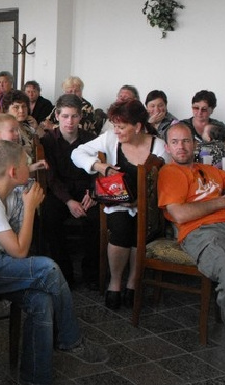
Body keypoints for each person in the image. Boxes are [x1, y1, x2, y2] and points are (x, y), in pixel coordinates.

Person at [0, 140, 108, 385]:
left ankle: (35, 382)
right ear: (13, 171)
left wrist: (26, 203)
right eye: (27, 164)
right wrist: (29, 208)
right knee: (49, 269)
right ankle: (71, 341)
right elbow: (20, 251)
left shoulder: (7, 191)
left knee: (41, 300)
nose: (31, 168)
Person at [158, 122, 225, 374]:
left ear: (195, 144)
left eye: (186, 141)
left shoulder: (209, 169)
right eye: (175, 142)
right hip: (202, 233)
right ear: (167, 147)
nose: (181, 147)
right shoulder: (170, 173)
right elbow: (180, 214)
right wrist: (223, 201)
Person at [72, 99, 168, 309]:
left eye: (121, 127)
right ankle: (115, 282)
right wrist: (100, 166)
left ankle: (133, 282)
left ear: (138, 127)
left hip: (147, 207)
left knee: (139, 231)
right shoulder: (110, 139)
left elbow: (166, 183)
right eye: (115, 125)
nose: (116, 131)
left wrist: (140, 201)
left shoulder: (158, 146)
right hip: (117, 203)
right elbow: (77, 153)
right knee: (121, 228)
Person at [40, 94, 100, 288]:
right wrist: (68, 201)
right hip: (60, 191)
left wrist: (93, 193)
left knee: (97, 217)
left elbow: (97, 171)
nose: (70, 121)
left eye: (74, 116)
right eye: (65, 116)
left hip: (85, 189)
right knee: (50, 216)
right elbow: (51, 177)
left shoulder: (91, 140)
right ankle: (64, 273)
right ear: (57, 116)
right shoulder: (48, 140)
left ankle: (91, 273)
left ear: (80, 117)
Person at [0, 114, 48, 232]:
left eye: (17, 130)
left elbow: (18, 171)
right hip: (3, 197)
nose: (17, 134)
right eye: (12, 131)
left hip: (18, 198)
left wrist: (33, 167)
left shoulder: (18, 150)